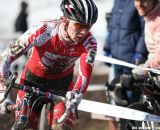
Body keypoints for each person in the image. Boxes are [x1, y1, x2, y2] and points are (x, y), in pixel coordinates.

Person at [0, 0, 98, 129]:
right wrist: (2, 93)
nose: (84, 32)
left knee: (62, 127)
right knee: (26, 126)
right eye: (79, 26)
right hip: (32, 82)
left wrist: (76, 93)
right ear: (65, 20)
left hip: (62, 87)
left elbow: (84, 74)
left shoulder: (89, 43)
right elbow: (5, 58)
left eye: (88, 27)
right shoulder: (43, 30)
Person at [103, 0, 148, 77]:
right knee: (117, 87)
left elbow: (145, 29)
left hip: (131, 60)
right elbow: (112, 27)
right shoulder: (117, 2)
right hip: (116, 58)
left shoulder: (137, 2)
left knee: (132, 87)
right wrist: (107, 49)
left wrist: (140, 52)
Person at [132, 0, 160, 78]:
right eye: (137, 0)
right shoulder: (150, 15)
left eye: (143, 0)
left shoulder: (158, 20)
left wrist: (145, 68)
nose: (139, 4)